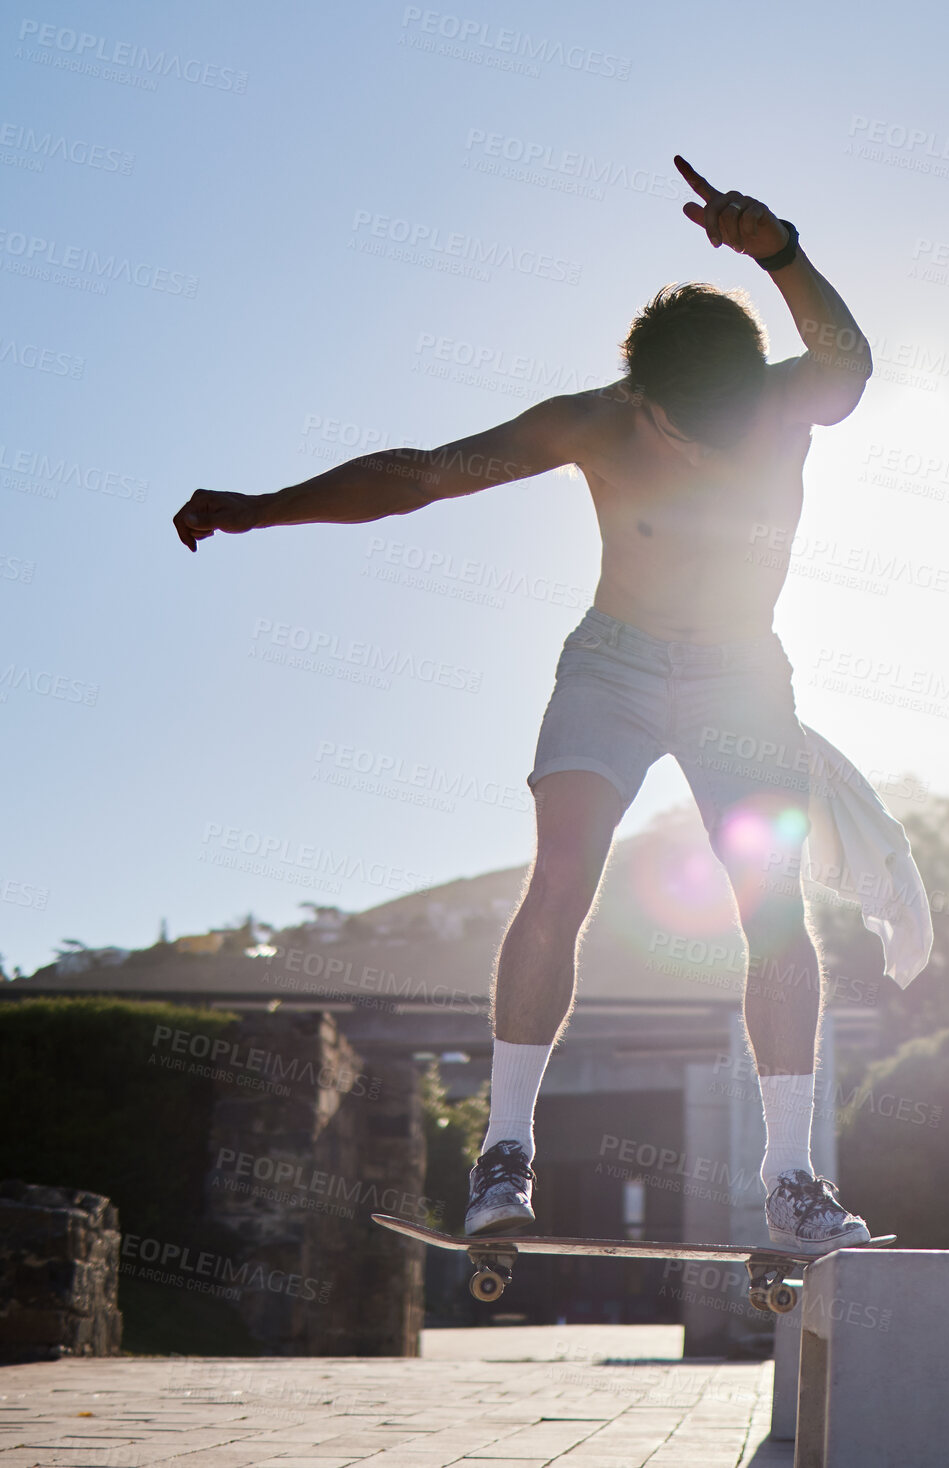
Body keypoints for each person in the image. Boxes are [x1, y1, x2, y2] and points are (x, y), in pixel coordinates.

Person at [173, 155, 879, 1254]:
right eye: (677, 431)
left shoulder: (784, 399)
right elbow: (420, 473)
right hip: (614, 665)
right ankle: (505, 1150)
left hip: (744, 673)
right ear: (640, 400)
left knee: (772, 906)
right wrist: (267, 508)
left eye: (719, 430)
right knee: (560, 877)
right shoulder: (590, 422)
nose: (700, 448)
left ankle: (789, 1174)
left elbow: (850, 359)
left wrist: (778, 250)